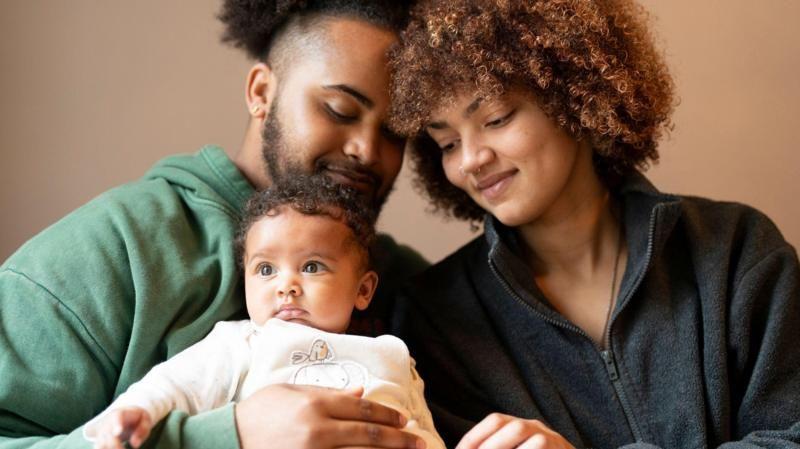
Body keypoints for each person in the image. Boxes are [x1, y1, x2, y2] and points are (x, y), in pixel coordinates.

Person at [0, 2, 430, 449]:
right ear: (261, 91)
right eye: (340, 110)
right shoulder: (117, 245)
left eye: (395, 133)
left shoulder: (410, 287)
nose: (366, 149)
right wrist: (227, 437)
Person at [387, 0, 800, 448]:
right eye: (446, 143)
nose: (470, 160)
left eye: (497, 118)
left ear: (574, 96)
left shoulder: (736, 251)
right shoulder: (437, 321)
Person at [83, 177, 444, 449]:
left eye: (313, 266)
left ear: (363, 290)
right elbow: (178, 384)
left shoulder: (390, 353)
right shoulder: (244, 342)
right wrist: (137, 411)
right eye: (266, 270)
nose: (286, 286)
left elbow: (423, 432)